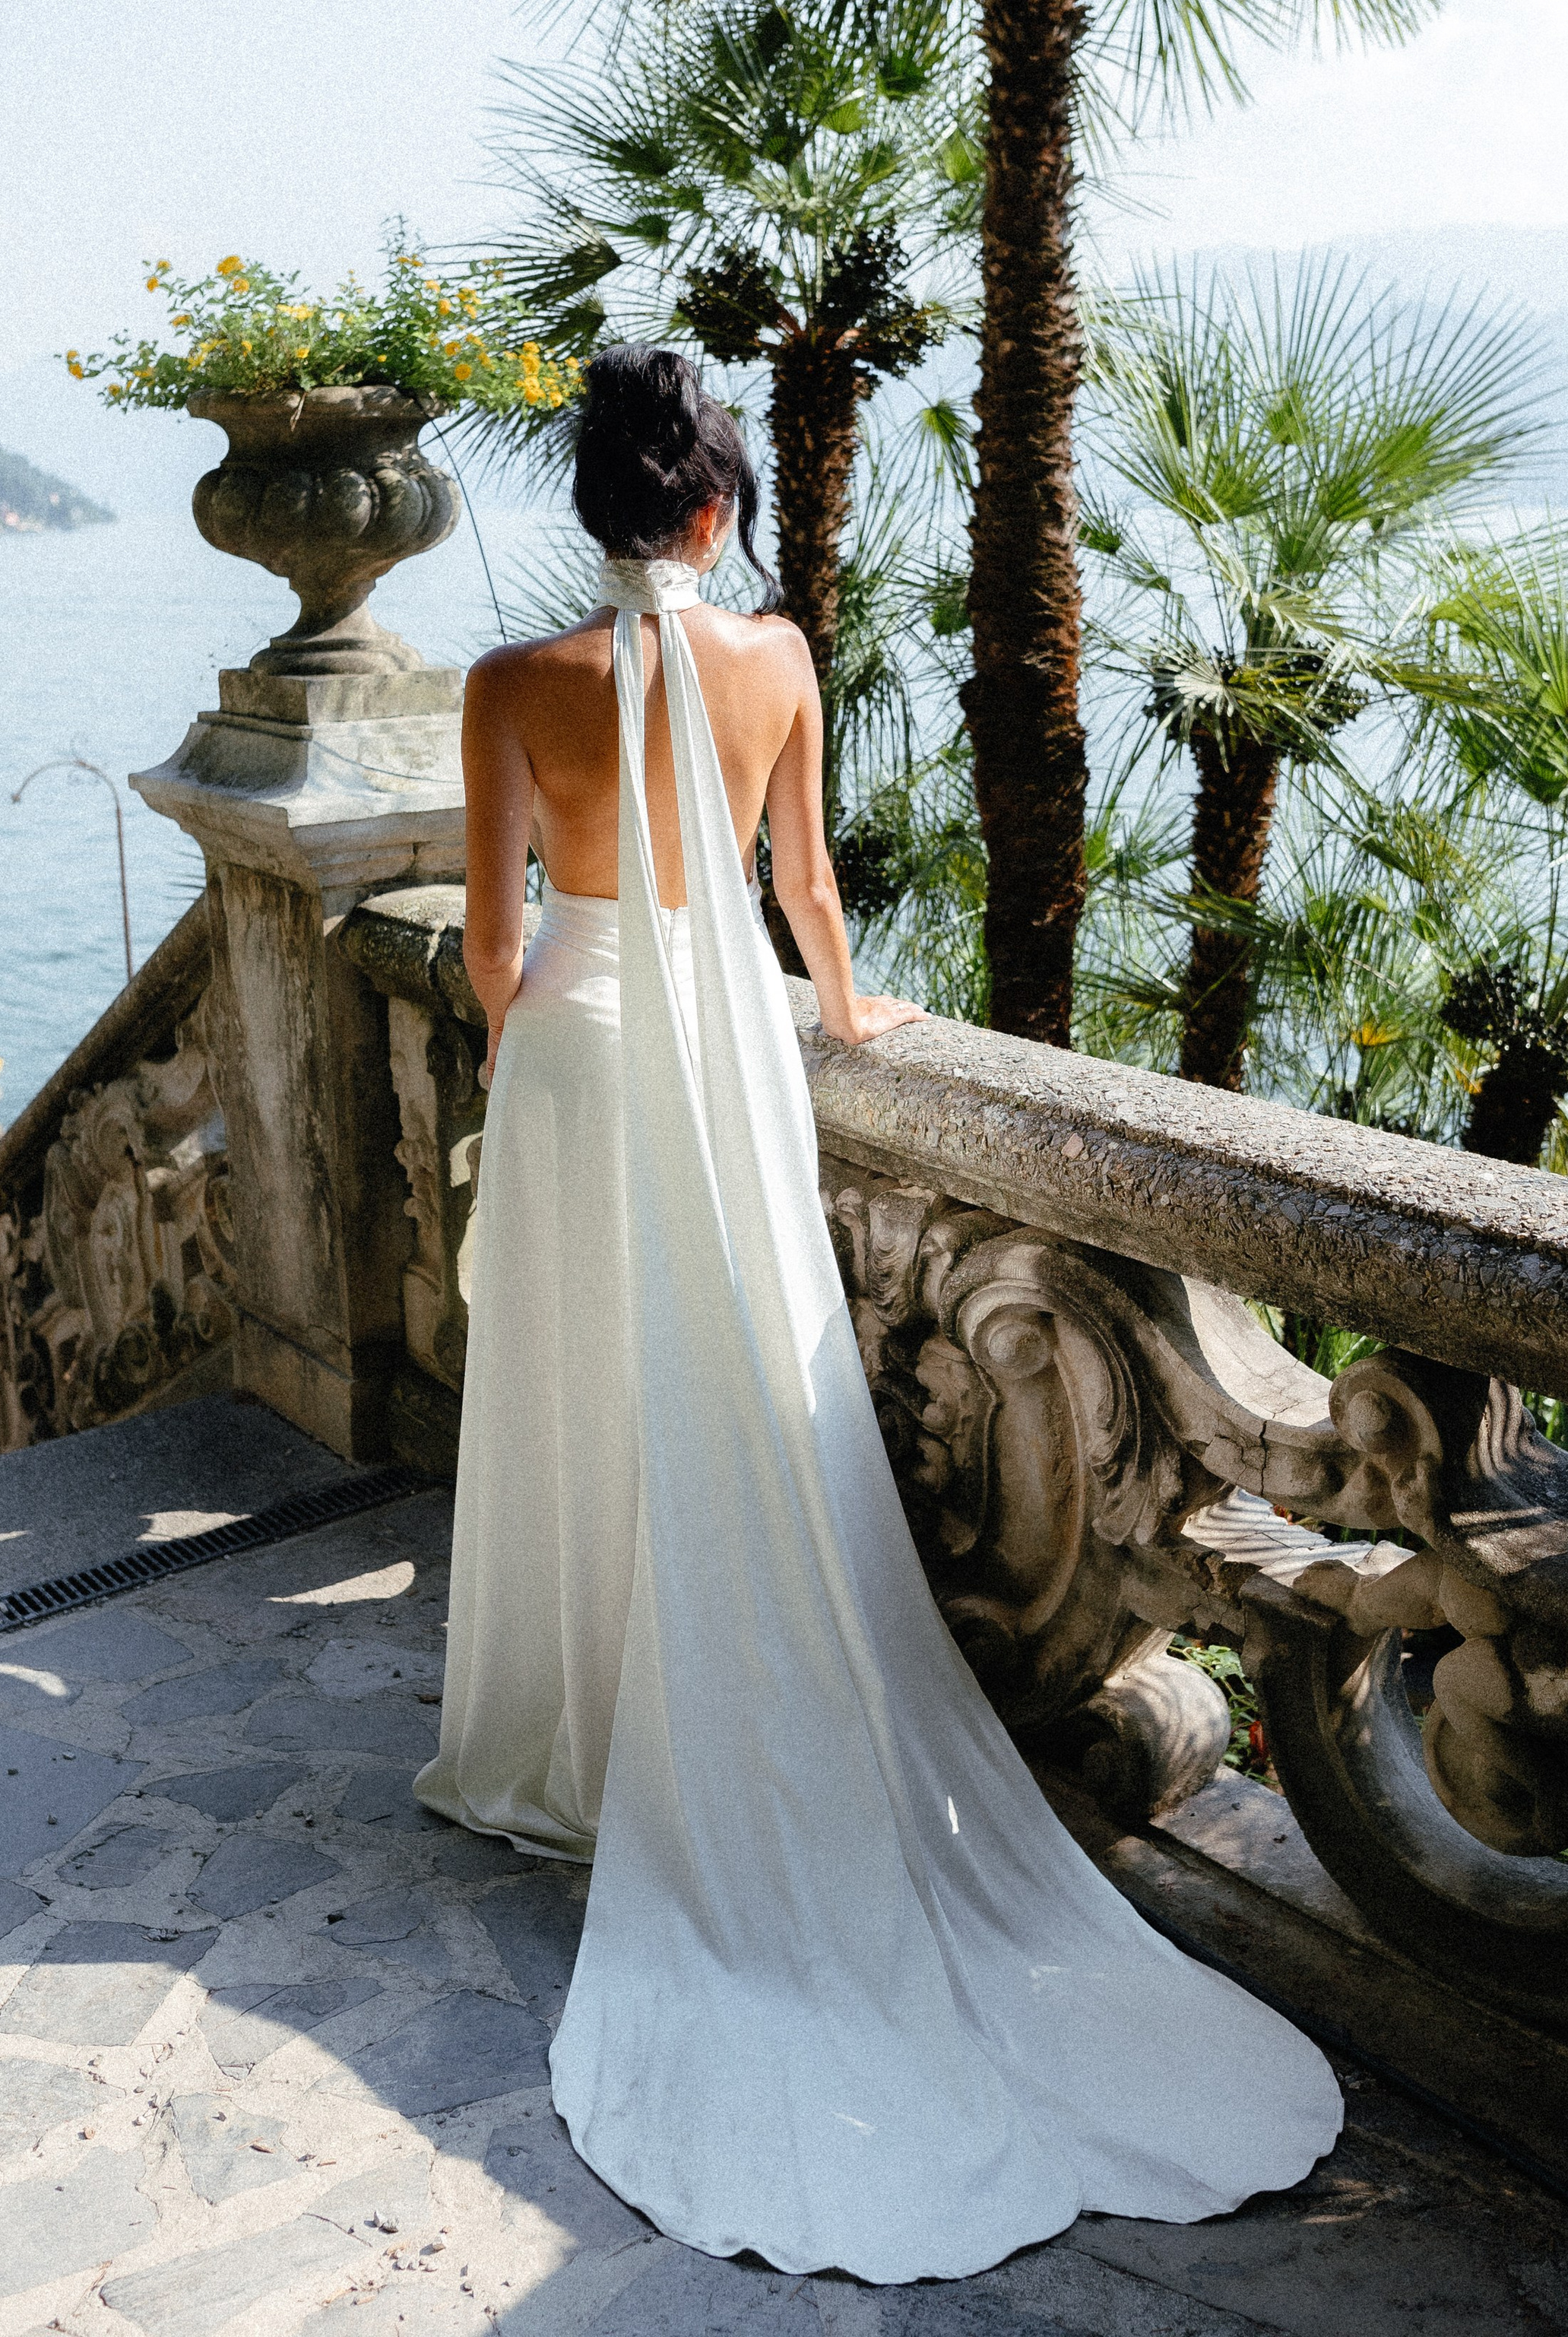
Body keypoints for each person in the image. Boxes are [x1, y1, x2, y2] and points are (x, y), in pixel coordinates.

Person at [415, 347, 1341, 2284]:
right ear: (719, 508)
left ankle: (574, 1744)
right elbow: (805, 887)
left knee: (590, 1392)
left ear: (595, 512)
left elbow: (496, 949)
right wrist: (843, 1022)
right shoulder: (774, 662)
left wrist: (548, 1054)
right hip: (737, 1060)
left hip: (583, 1068)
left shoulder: (516, 684)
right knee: (747, 1386)